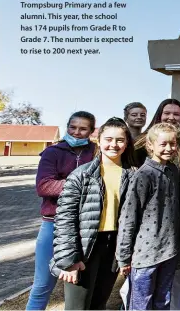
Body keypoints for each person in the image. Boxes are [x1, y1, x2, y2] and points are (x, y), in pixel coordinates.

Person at [49, 117, 137, 310]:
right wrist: (69, 260)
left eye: (120, 140)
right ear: (99, 140)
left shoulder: (133, 175)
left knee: (99, 304)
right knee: (77, 306)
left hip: (113, 246)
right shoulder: (81, 175)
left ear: (127, 143)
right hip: (86, 245)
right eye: (108, 139)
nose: (114, 144)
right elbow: (65, 218)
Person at [26, 111, 97, 311]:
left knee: (80, 284)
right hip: (53, 223)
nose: (76, 132)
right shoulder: (53, 152)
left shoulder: (96, 152)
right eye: (72, 127)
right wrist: (78, 184)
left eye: (83, 129)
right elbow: (44, 186)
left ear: (91, 131)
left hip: (85, 225)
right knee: (42, 284)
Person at [117, 122, 180, 310]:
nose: (169, 148)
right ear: (150, 145)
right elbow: (129, 217)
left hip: (169, 252)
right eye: (163, 144)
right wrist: (123, 256)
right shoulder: (143, 175)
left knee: (163, 302)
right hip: (145, 255)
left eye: (173, 143)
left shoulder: (173, 171)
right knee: (141, 304)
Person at [134, 98, 180, 169]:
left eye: (176, 114)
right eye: (167, 113)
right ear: (160, 115)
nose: (171, 117)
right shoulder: (141, 142)